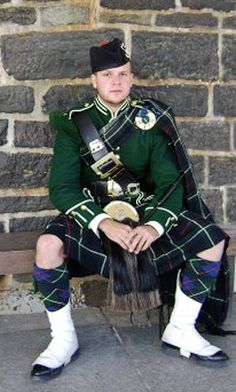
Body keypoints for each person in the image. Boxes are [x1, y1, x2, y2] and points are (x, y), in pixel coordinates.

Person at [31, 38, 230, 381]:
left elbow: (170, 183)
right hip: (94, 217)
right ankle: (62, 339)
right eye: (108, 75)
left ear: (132, 77)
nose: (117, 81)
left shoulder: (150, 120)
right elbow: (62, 188)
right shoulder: (74, 123)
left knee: (210, 239)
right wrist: (103, 222)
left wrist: (153, 227)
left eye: (123, 74)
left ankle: (180, 328)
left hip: (144, 214)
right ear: (94, 80)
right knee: (48, 246)